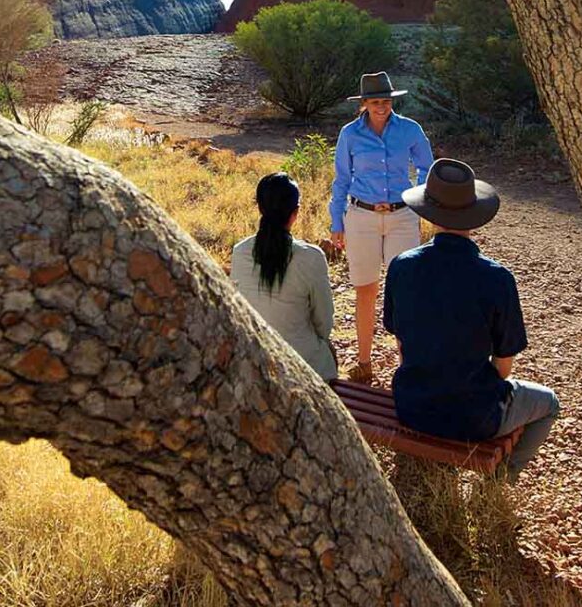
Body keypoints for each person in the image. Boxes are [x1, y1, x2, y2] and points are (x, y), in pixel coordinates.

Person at [384, 158, 559, 482]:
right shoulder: (497, 278)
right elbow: (504, 365)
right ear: (474, 217)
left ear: (428, 212)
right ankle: (499, 483)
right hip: (475, 417)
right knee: (549, 403)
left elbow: (402, 344)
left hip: (412, 406)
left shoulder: (401, 266)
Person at [329, 71, 434, 383]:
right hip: (361, 216)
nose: (382, 107)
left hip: (403, 216)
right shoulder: (350, 134)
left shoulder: (410, 129)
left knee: (404, 290)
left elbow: (427, 166)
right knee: (366, 289)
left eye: (386, 101)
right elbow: (342, 179)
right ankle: (364, 363)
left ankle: (407, 366)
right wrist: (337, 222)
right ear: (364, 104)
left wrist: (420, 197)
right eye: (375, 102)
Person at [231, 172, 337, 381]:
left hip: (256, 365)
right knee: (328, 354)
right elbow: (324, 323)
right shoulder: (311, 257)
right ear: (295, 213)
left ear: (259, 208)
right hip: (304, 367)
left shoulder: (240, 252)